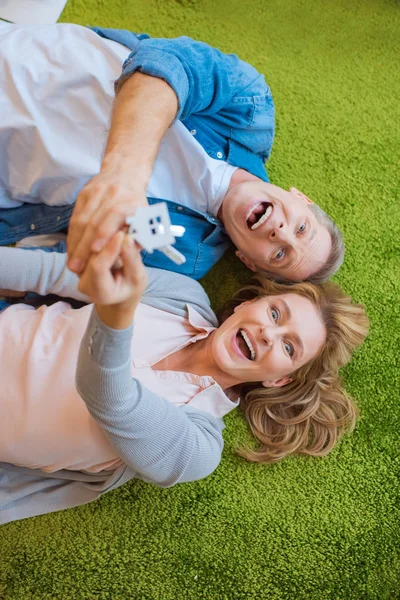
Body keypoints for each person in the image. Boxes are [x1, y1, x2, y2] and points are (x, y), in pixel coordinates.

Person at [0, 240, 368, 523]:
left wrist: (118, 308)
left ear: (278, 380)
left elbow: (107, 395)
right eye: (274, 313)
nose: (269, 334)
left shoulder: (198, 446)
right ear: (246, 305)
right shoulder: (180, 295)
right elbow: (47, 272)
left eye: (289, 347)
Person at [0, 22, 343, 283]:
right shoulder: (250, 112)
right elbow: (163, 66)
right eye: (301, 229)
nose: (280, 233)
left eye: (280, 254)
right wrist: (124, 180)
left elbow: (58, 266)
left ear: (248, 261)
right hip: (21, 62)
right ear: (301, 197)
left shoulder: (185, 251)